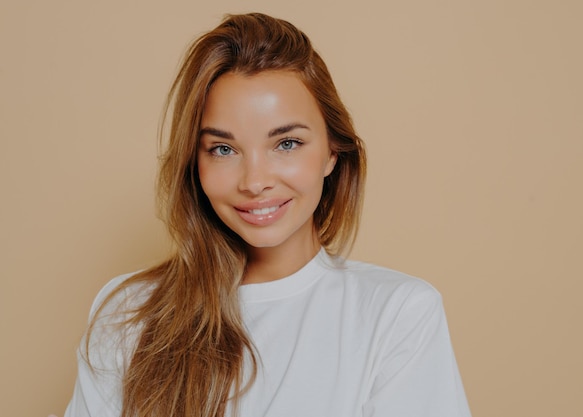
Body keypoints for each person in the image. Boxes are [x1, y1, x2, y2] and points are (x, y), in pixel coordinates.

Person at [64, 12, 471, 417]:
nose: (254, 181)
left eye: (287, 143)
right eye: (223, 149)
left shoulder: (396, 314)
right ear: (195, 164)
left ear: (332, 151)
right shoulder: (129, 312)